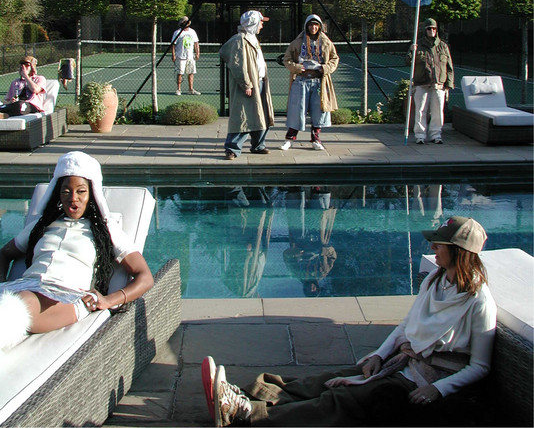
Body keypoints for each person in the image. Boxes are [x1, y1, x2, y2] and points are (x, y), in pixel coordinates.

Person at [202, 215, 496, 427]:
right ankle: (248, 393)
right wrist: (379, 355)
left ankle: (246, 414)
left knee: (341, 398)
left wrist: (438, 389)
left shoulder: (478, 302)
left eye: (439, 244)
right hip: (401, 362)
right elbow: (406, 326)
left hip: (426, 380)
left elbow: (480, 366)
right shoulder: (434, 281)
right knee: (323, 380)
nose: (433, 248)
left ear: (459, 252)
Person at [0, 151, 154, 351]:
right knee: (21, 300)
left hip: (67, 296)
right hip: (26, 287)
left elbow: (145, 277)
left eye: (81, 191)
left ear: (91, 194)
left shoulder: (106, 230)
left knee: (22, 303)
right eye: (66, 192)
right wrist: (3, 282)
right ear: (58, 193)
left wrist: (109, 300)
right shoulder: (42, 225)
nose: (73, 199)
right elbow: (4, 253)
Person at [219, 11, 274, 160]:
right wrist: (246, 84)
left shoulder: (252, 38)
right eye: (261, 22)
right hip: (249, 85)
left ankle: (258, 145)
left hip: (259, 82)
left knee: (261, 115)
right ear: (253, 23)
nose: (262, 25)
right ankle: (232, 148)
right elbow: (237, 64)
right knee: (242, 116)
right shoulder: (239, 39)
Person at [281, 15, 339, 151]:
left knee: (319, 111)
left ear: (320, 26)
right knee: (296, 110)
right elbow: (287, 59)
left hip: (319, 82)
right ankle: (289, 139)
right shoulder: (297, 42)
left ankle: (316, 140)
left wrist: (325, 68)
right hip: (301, 80)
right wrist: (295, 67)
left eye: (316, 25)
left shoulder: (326, 42)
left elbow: (334, 58)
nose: (313, 27)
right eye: (311, 25)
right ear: (306, 26)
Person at [406, 18, 454, 145]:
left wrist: (448, 84)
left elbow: (449, 67)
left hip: (438, 84)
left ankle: (436, 134)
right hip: (421, 83)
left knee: (437, 111)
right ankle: (420, 135)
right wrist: (411, 51)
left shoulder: (443, 46)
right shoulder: (418, 45)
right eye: (429, 28)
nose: (431, 31)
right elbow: (408, 62)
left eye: (433, 28)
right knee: (420, 110)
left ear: (436, 30)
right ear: (425, 30)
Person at [171, 16, 201, 95]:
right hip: (180, 56)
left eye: (187, 22)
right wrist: (173, 55)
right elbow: (173, 44)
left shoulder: (192, 32)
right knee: (180, 73)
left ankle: (191, 89)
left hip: (190, 56)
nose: (186, 23)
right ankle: (178, 89)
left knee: (191, 73)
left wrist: (197, 53)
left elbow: (196, 43)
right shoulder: (177, 32)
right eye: (184, 22)